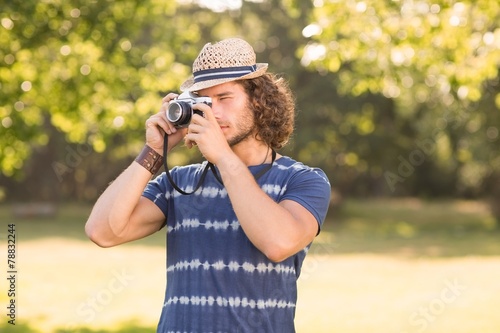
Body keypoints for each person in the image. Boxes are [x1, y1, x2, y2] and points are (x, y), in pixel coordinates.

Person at [85, 37, 331, 333]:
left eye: (224, 98)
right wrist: (153, 151)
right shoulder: (179, 183)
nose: (213, 112)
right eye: (204, 101)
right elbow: (103, 232)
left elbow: (278, 243)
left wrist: (223, 157)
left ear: (259, 101)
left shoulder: (303, 180)